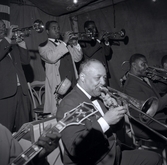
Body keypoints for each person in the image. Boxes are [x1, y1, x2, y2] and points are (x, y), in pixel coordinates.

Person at [56, 59, 162, 165]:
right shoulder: (68, 104)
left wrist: (114, 110)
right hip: (95, 161)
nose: (103, 82)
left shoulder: (97, 95)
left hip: (112, 153)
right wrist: (105, 121)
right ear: (83, 77)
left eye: (104, 77)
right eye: (98, 78)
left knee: (155, 158)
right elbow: (74, 148)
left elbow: (117, 127)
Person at [38, 20, 83, 114]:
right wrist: (65, 42)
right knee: (62, 111)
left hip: (73, 82)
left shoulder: (65, 44)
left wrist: (75, 44)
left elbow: (77, 58)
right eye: (54, 28)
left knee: (76, 109)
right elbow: (51, 58)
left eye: (58, 28)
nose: (57, 30)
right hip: (59, 85)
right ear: (47, 31)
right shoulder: (43, 46)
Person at [122, 53, 167, 141]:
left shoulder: (143, 79)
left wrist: (160, 79)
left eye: (146, 63)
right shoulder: (131, 85)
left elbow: (160, 91)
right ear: (134, 66)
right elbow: (151, 108)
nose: (147, 66)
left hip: (160, 116)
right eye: (143, 64)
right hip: (152, 123)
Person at [0, 19, 32, 133]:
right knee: (5, 130)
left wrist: (21, 43)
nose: (2, 28)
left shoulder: (12, 46)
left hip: (21, 91)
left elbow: (26, 61)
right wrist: (7, 39)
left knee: (25, 129)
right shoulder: (5, 44)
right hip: (5, 94)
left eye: (3, 26)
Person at [79, 20, 112, 84]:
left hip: (103, 71)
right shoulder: (83, 40)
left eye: (95, 27)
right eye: (92, 27)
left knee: (105, 92)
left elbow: (107, 53)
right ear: (86, 29)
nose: (94, 30)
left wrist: (106, 42)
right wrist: (99, 40)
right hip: (94, 73)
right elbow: (89, 53)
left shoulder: (97, 39)